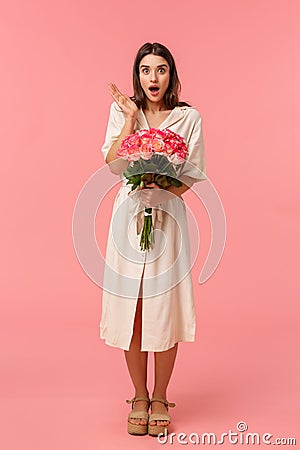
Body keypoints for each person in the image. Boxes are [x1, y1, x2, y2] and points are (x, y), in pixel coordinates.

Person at [100, 42, 206, 436]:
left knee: (165, 305)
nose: (153, 78)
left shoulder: (188, 118)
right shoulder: (122, 110)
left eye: (161, 70)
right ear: (137, 76)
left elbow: (193, 173)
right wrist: (129, 120)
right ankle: (139, 395)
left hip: (168, 219)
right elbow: (113, 166)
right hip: (128, 218)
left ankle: (161, 395)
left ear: (172, 75)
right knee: (135, 306)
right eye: (146, 70)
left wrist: (160, 191)